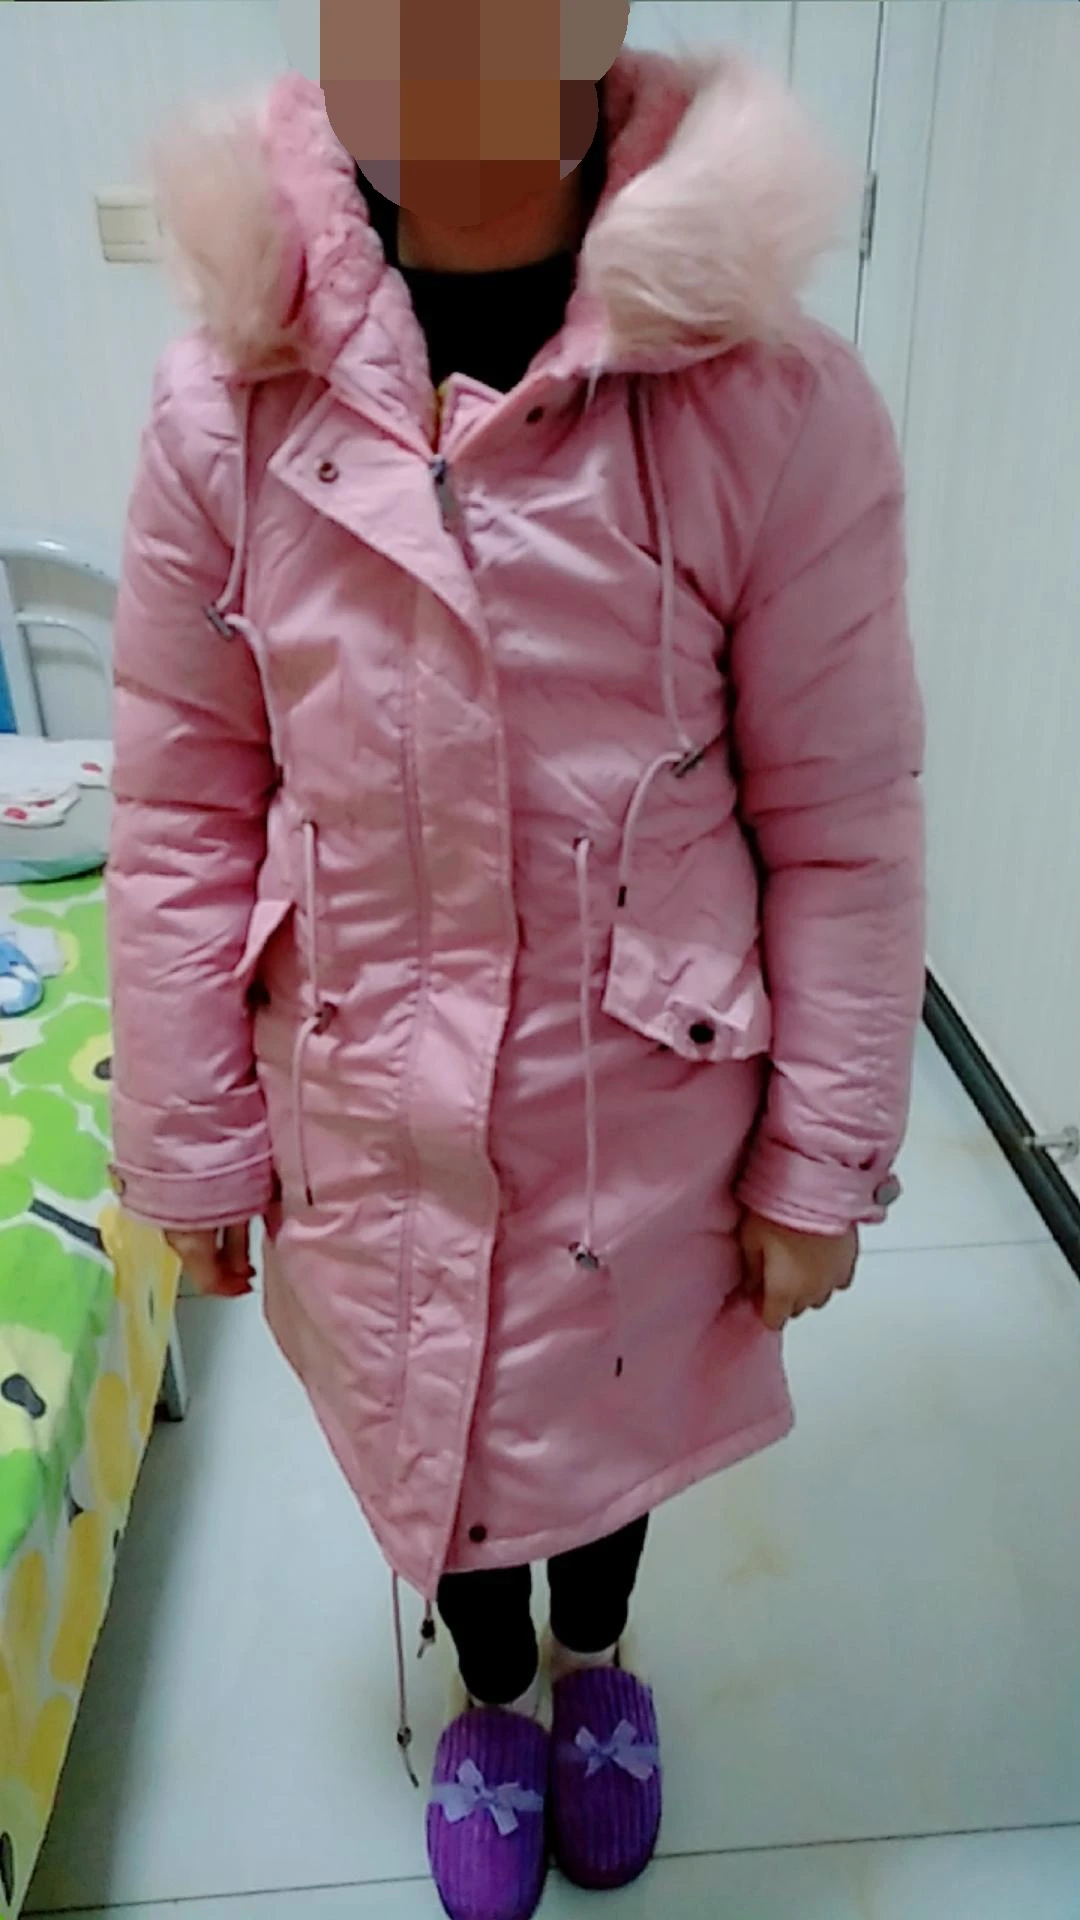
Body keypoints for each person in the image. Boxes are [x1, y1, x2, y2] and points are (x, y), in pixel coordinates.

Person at [107, 3, 925, 1915]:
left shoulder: (765, 403)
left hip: (641, 1084)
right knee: (434, 1408)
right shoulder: (225, 403)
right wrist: (194, 1140)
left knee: (601, 1398)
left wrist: (821, 1158)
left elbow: (846, 817)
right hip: (367, 1080)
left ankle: (596, 1659)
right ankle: (490, 1687)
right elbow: (183, 803)